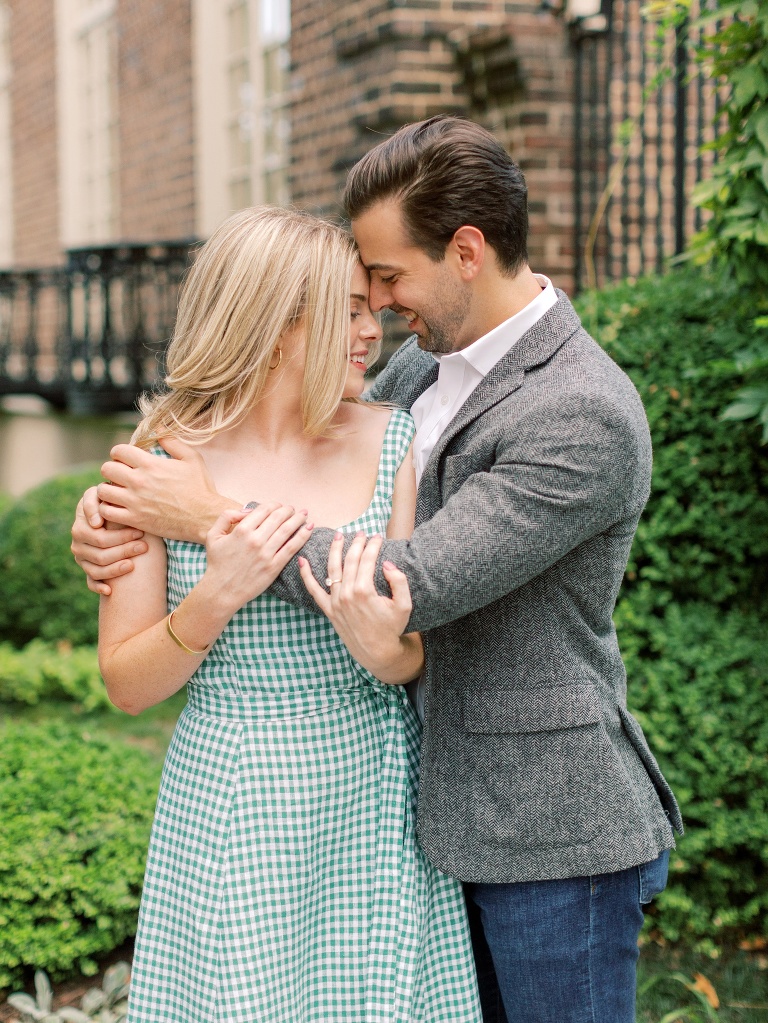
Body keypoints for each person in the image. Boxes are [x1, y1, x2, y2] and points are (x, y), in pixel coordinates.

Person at [72, 117, 683, 1023]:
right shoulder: (414, 372)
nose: (380, 310)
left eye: (389, 279)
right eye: (359, 296)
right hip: (406, 805)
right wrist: (114, 515)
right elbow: (270, 436)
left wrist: (206, 520)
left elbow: (407, 582)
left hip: (546, 827)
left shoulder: (580, 409)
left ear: (466, 251)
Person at [94, 205, 483, 1023]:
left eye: (370, 307)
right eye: (345, 310)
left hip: (374, 784)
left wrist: (390, 652)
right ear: (272, 322)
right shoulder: (163, 459)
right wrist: (213, 597)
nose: (371, 330)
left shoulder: (393, 439)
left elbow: (408, 653)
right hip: (235, 788)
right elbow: (127, 684)